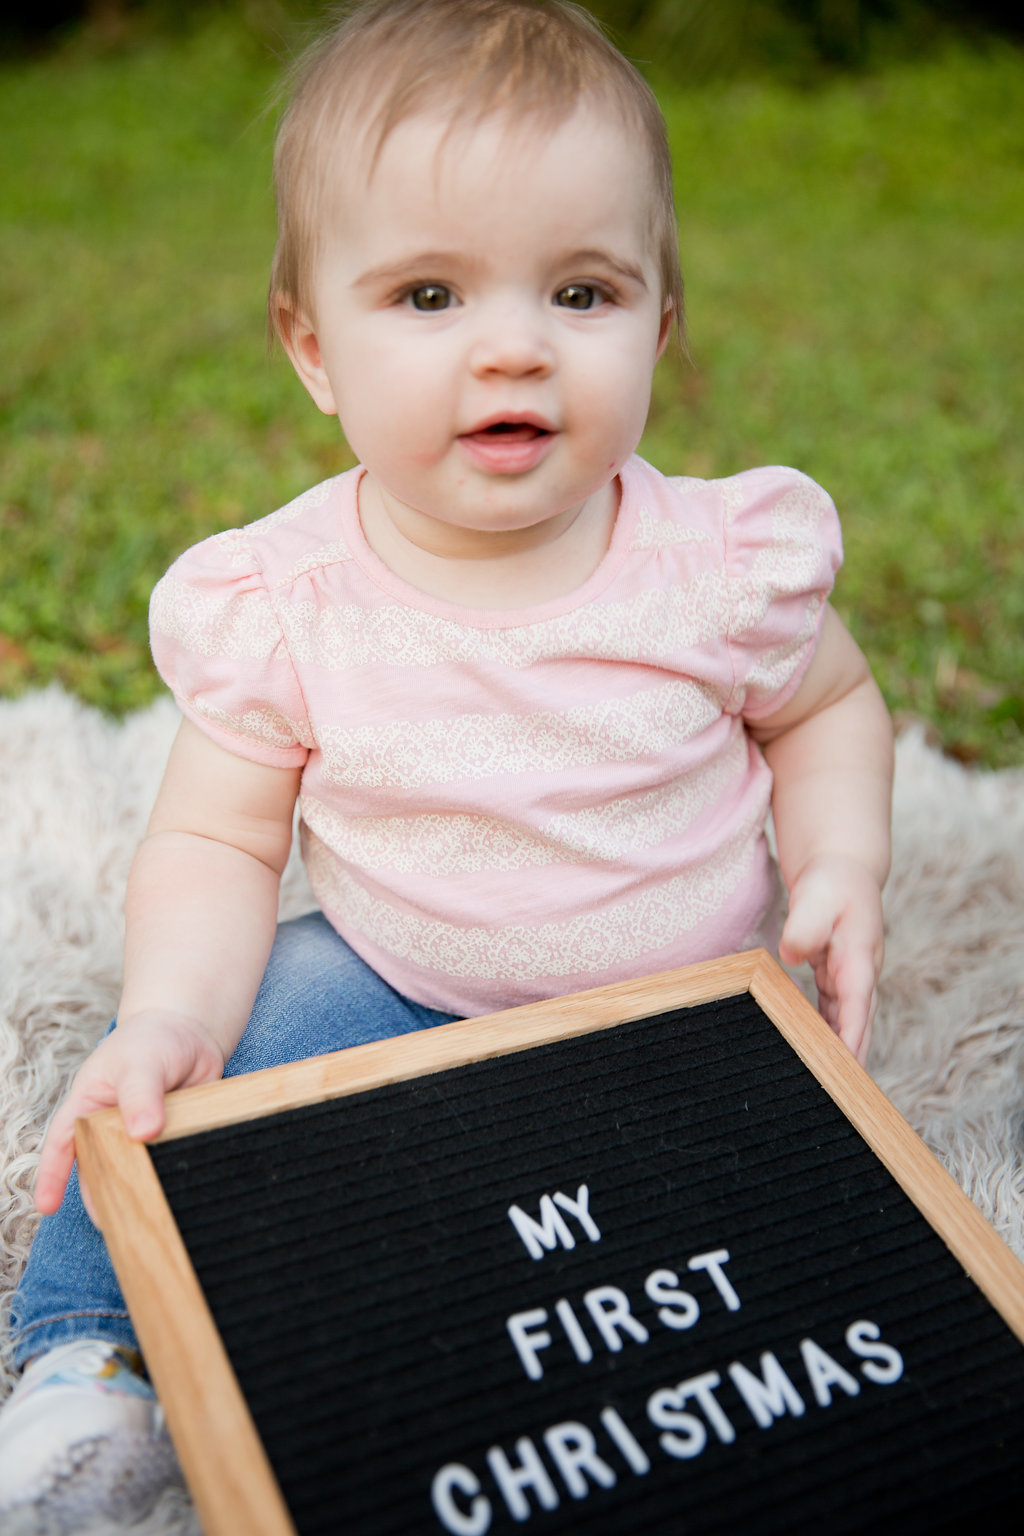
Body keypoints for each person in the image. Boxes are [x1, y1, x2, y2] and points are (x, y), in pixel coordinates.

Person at [0, 0, 893, 1522]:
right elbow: (216, 842)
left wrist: (840, 863)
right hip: (399, 969)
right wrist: (169, 1012)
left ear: (661, 323)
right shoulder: (286, 602)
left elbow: (827, 707)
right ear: (312, 347)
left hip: (684, 1007)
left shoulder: (717, 565)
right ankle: (81, 1358)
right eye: (427, 293)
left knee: (758, 1272)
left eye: (583, 291)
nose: (513, 349)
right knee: (164, 1079)